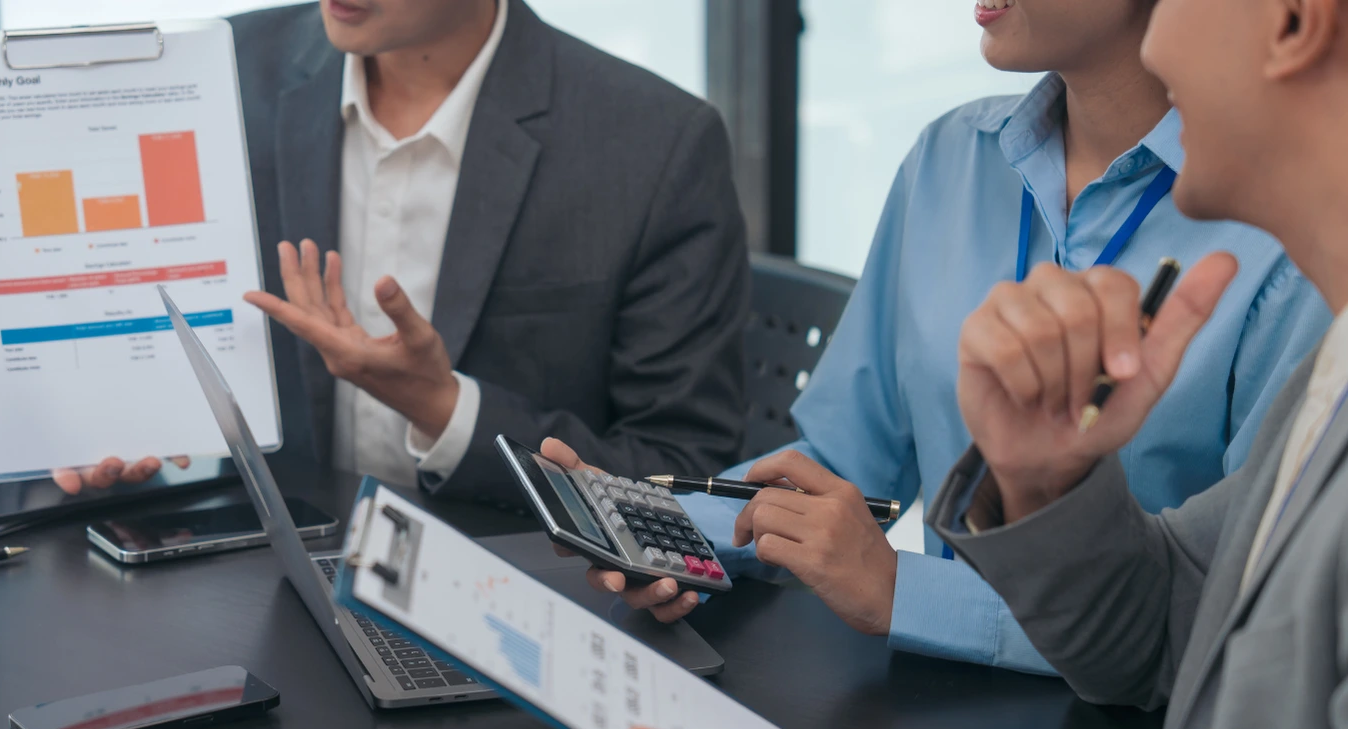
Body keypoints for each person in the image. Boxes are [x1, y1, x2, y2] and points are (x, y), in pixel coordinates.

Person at [565, 0, 1348, 729]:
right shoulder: (1333, 377)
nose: (1164, 43)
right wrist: (658, 517)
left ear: (1297, 20)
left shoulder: (1288, 291)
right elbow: (1178, 617)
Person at [551, 0, 1333, 674]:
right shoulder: (949, 157)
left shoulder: (1286, 229)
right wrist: (667, 531)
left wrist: (904, 592)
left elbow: (1224, 614)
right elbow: (839, 470)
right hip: (931, 702)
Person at [53, 0, 749, 501]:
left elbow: (680, 472)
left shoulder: (653, 143)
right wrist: (124, 414)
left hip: (517, 584)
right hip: (264, 567)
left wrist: (445, 408)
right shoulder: (215, 71)